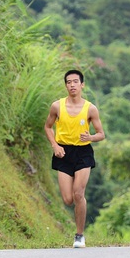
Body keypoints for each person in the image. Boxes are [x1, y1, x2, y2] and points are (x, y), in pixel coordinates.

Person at [44, 69, 105, 248]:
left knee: (79, 193)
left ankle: (79, 235)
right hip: (63, 153)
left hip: (83, 152)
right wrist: (55, 145)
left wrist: (91, 137)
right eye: (69, 82)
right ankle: (78, 231)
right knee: (68, 199)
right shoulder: (57, 106)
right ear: (66, 85)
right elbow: (48, 127)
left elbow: (101, 134)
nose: (72, 85)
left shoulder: (90, 108)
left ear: (82, 85)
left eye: (75, 82)